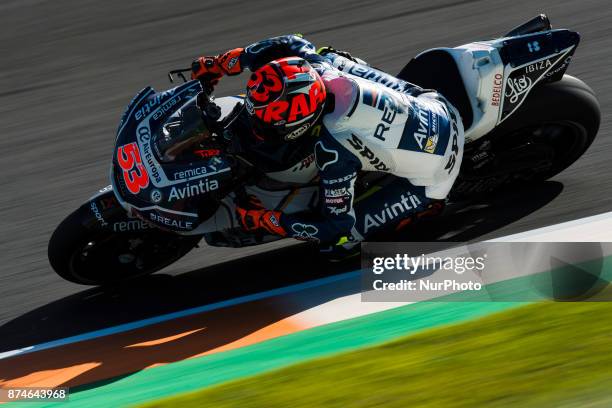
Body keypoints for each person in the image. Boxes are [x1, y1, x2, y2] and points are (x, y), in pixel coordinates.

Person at [190, 34, 464, 253]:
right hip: (432, 102)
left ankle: (427, 206)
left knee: (339, 244)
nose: (258, 128)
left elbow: (336, 226)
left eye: (268, 124)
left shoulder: (333, 148)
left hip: (433, 177)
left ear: (303, 122)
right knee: (329, 55)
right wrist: (225, 63)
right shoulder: (318, 69)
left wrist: (266, 220)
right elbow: (290, 42)